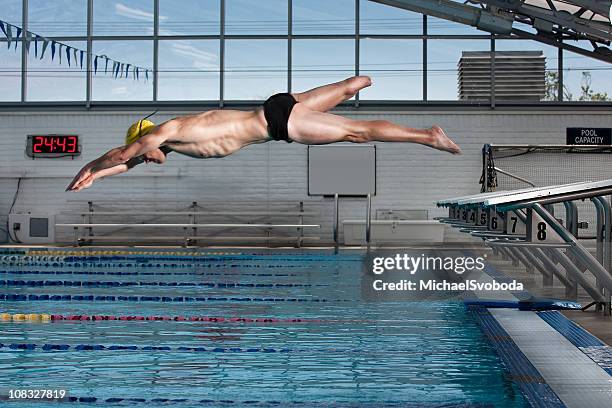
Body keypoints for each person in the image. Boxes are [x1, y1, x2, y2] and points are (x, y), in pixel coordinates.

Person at [66, 76, 460, 192]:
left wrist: (90, 163)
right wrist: (98, 176)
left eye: (143, 153)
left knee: (357, 134)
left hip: (278, 123)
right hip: (275, 107)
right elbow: (125, 164)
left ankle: (427, 135)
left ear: (143, 138)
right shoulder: (170, 140)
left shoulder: (165, 132)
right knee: (348, 90)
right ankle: (353, 85)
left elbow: (121, 155)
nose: (145, 162)